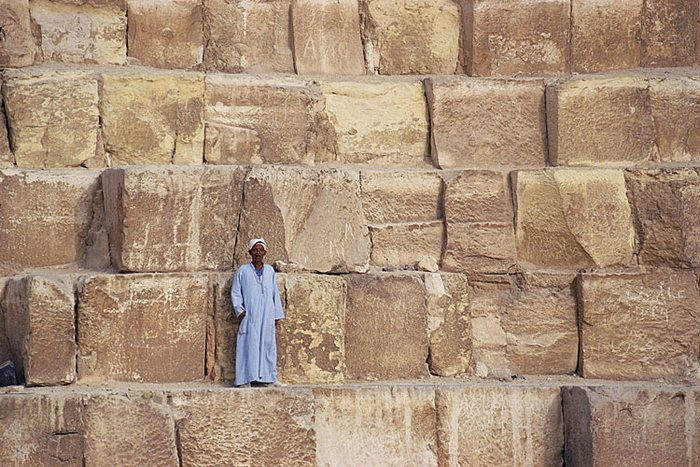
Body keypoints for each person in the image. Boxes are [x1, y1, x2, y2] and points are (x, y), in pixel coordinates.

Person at [231, 238, 285, 387]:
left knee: (268, 345)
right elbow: (236, 292)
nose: (258, 253)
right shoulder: (242, 271)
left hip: (267, 315)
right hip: (251, 315)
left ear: (265, 253)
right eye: (255, 249)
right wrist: (240, 310)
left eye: (261, 250)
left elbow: (274, 293)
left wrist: (277, 314)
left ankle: (269, 378)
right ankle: (245, 379)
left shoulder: (269, 271)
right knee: (249, 345)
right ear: (250, 252)